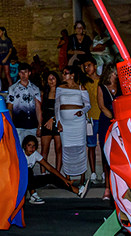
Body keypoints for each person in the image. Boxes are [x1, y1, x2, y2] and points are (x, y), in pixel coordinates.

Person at [56, 66, 91, 196]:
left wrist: (82, 111)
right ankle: (68, 178)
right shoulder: (60, 88)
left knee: (80, 148)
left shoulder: (81, 88)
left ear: (72, 75)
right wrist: (58, 121)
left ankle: (82, 178)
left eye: (66, 73)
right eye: (64, 73)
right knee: (67, 148)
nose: (65, 75)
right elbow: (57, 106)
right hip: (65, 123)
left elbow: (88, 104)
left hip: (78, 122)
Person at [97, 63, 118, 202]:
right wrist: (111, 116)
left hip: (119, 120)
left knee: (119, 155)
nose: (116, 75)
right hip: (106, 120)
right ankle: (107, 188)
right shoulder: (101, 87)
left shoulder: (121, 86)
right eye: (115, 72)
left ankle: (119, 189)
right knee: (106, 156)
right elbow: (101, 105)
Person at [4, 64, 41, 145]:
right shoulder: (13, 88)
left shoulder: (35, 89)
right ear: (18, 73)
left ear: (30, 73)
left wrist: (40, 125)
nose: (23, 75)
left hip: (32, 124)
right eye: (21, 72)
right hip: (18, 125)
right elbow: (10, 107)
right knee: (19, 148)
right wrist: (11, 124)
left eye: (25, 72)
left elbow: (38, 108)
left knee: (31, 148)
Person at [82, 58, 102, 185]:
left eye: (88, 65)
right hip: (90, 118)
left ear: (95, 66)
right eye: (84, 66)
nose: (86, 68)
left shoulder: (102, 80)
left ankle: (106, 172)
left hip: (103, 116)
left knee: (105, 145)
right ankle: (93, 172)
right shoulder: (84, 82)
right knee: (91, 146)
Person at [38, 70, 61, 172]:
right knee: (44, 149)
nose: (52, 81)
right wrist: (40, 125)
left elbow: (62, 108)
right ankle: (43, 174)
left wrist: (53, 119)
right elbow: (40, 109)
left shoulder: (61, 92)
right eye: (49, 79)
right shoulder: (44, 92)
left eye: (53, 78)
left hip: (58, 120)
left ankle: (58, 173)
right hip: (46, 121)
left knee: (59, 149)